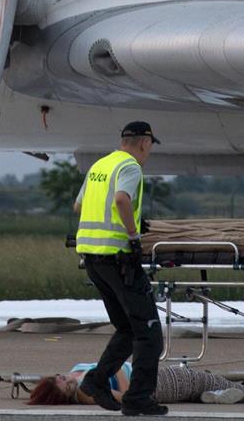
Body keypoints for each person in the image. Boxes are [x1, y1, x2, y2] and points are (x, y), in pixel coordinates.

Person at [74, 121, 165, 416]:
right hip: (119, 259)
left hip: (93, 259)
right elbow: (121, 199)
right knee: (149, 333)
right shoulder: (130, 167)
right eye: (150, 145)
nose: (149, 151)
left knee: (127, 328)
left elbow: (79, 206)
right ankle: (138, 398)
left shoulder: (100, 165)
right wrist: (132, 234)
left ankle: (95, 381)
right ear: (144, 143)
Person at [28, 362, 244, 407]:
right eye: (64, 386)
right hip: (150, 384)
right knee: (201, 377)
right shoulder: (85, 393)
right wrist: (116, 367)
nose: (66, 380)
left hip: (148, 373)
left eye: (60, 379)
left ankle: (208, 396)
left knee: (203, 384)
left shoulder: (75, 373)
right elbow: (126, 398)